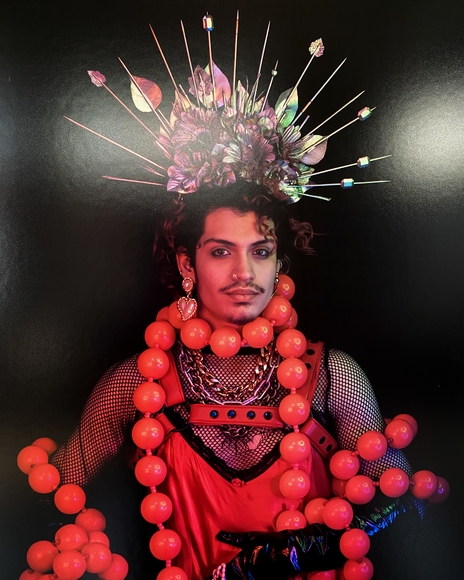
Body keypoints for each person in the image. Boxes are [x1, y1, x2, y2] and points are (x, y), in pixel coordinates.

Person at [50, 182, 421, 580]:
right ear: (187, 264)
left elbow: (403, 506)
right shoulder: (138, 383)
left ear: (279, 264)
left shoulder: (332, 376)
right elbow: (56, 501)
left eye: (260, 252)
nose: (244, 273)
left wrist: (297, 553)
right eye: (221, 251)